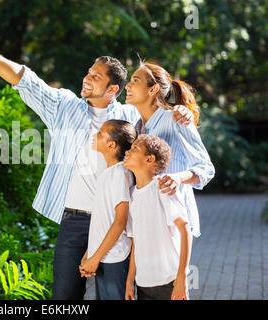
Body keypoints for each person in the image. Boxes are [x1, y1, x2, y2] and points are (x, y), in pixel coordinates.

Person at [0, 25, 194, 300]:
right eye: (88, 73)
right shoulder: (64, 105)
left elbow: (157, 116)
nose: (87, 79)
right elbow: (23, 78)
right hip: (74, 220)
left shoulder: (131, 116)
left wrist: (180, 111)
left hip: (115, 222)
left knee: (114, 295)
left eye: (96, 76)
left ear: (113, 88)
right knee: (64, 298)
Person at [124, 61, 215, 238]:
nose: (128, 85)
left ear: (153, 89)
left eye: (135, 80)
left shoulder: (176, 119)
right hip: (145, 220)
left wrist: (178, 178)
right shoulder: (136, 127)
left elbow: (206, 168)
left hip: (173, 223)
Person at [123, 134, 192, 300]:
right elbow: (135, 241)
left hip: (170, 281)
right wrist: (130, 281)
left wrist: (181, 277)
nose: (127, 152)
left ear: (149, 159)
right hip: (144, 283)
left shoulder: (162, 187)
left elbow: (185, 231)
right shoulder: (131, 195)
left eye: (134, 149)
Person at [78, 119, 136, 300]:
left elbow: (120, 222)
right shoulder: (108, 173)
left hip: (115, 258)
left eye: (100, 133)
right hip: (103, 257)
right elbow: (102, 220)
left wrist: (95, 259)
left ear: (111, 145)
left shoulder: (120, 174)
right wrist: (90, 254)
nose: (95, 135)